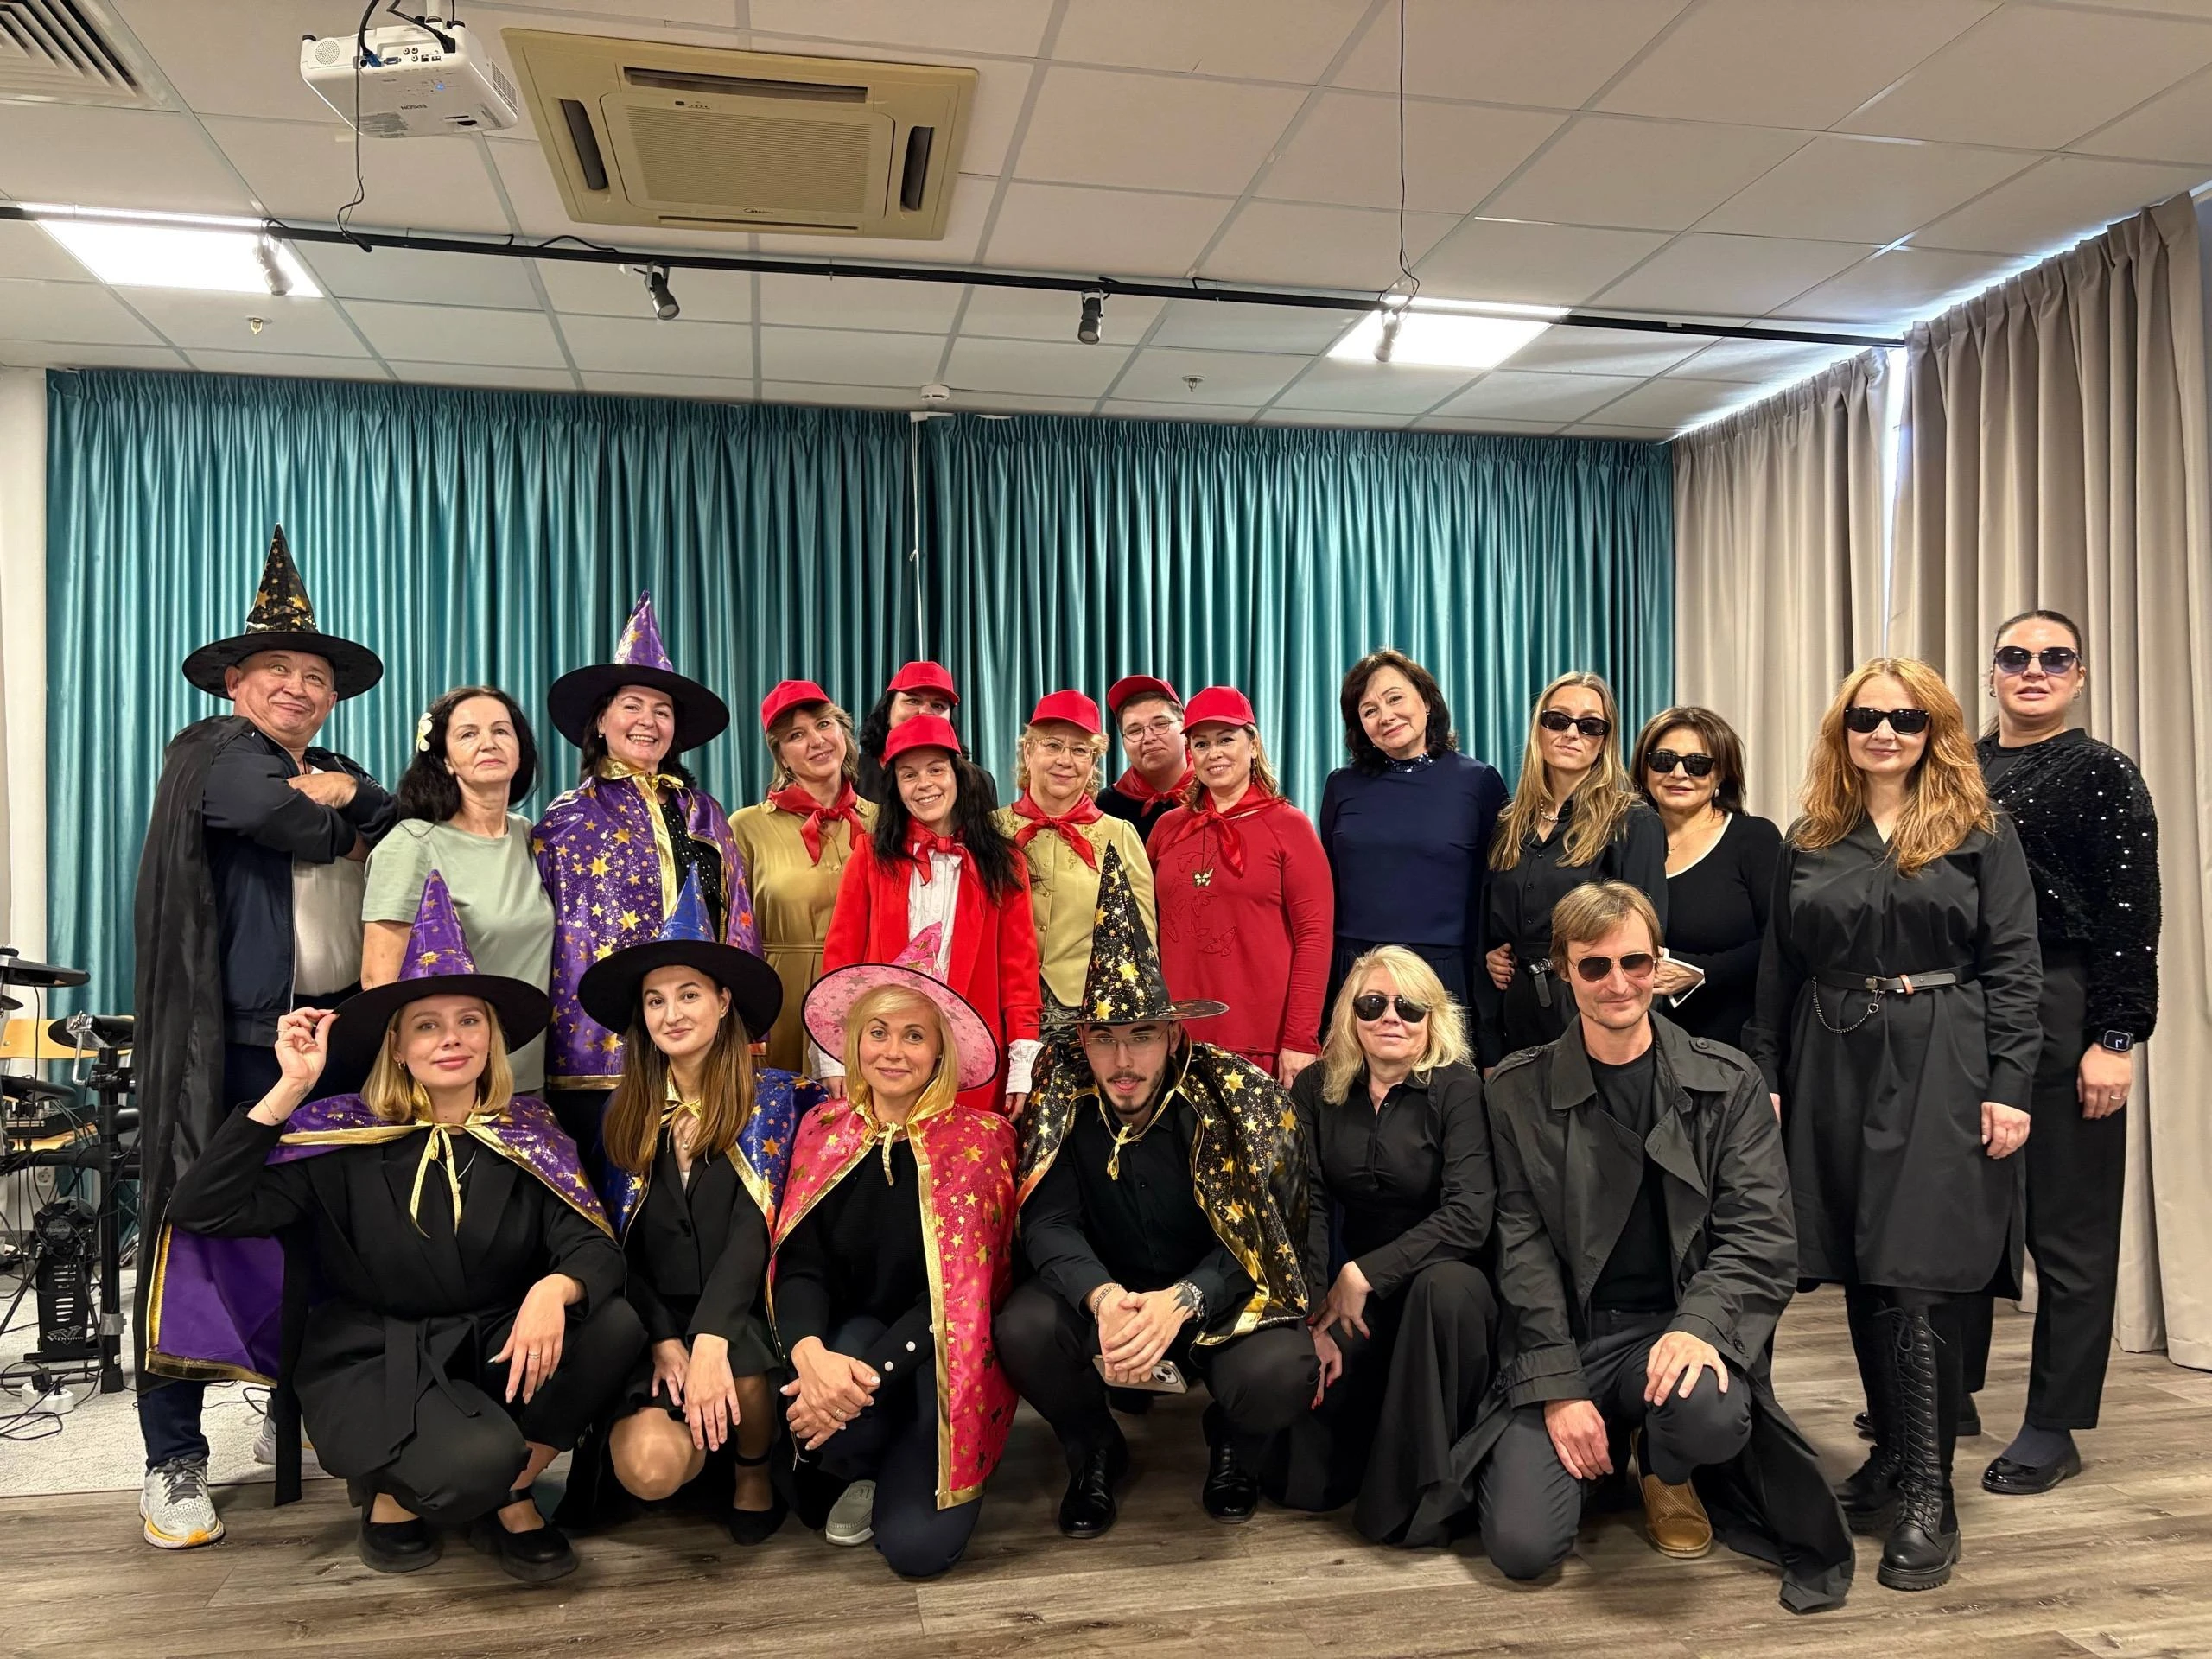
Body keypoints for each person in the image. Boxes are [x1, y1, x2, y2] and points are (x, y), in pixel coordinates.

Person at [152, 874, 643, 1585]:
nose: (452, 1039)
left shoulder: (529, 1132)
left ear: (493, 1037)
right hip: (375, 1357)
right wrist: (288, 1090)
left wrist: (555, 1289)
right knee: (470, 1466)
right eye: (428, 1025)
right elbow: (203, 1209)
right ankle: (395, 1490)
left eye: (469, 1021)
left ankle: (510, 1488)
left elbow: (593, 1245)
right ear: (398, 1045)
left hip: (490, 1345)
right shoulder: (339, 1136)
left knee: (613, 1323)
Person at [1465, 882, 1853, 1613]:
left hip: (1671, 1329)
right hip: (1573, 1336)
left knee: (1706, 1409)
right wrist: (1558, 1388)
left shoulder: (1729, 1082)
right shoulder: (1516, 1092)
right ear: (1563, 971)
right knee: (1523, 1548)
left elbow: (1760, 1232)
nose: (1618, 983)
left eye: (1635, 963)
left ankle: (1664, 1466)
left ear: (1658, 965)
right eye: (1595, 966)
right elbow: (1520, 1248)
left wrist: (1700, 1325)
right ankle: (1600, 1443)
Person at [1745, 658, 2041, 1593]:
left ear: (1934, 731)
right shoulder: (1810, 836)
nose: (1884, 732)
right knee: (1860, 1259)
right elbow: (1779, 967)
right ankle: (1888, 1460)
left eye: (1905, 719)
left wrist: (2011, 1084)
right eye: (1866, 717)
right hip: (1830, 1052)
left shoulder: (1980, 831)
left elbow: (2015, 964)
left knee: (1915, 1266)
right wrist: (1767, 1076)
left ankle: (1928, 1493)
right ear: (1842, 731)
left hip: (1942, 1051)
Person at [131, 525, 395, 1551]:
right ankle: (171, 1456)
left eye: (315, 676)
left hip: (333, 1036)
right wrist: (337, 815)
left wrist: (350, 796)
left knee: (323, 1233)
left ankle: (302, 1407)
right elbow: (285, 822)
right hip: (235, 1042)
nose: (298, 687)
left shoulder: (333, 766)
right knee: (195, 1227)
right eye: (277, 670)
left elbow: (399, 822)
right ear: (236, 683)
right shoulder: (209, 752)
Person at [995, 847, 1316, 1539]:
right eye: (1104, 1039)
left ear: (1173, 1036)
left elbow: (1266, 1230)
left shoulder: (1232, 1100)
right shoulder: (1062, 1097)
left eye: (1141, 1037)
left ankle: (1233, 1440)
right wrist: (1103, 1298)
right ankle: (1093, 1447)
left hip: (1209, 1302)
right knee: (1023, 1327)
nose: (1122, 1061)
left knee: (1282, 1370)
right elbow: (1048, 1222)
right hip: (1109, 1301)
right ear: (1083, 1040)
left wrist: (1188, 1297)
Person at [1958, 611, 2160, 1498]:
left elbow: (2131, 913)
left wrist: (2114, 1038)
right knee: (1960, 1211)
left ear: (2078, 676)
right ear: (1992, 672)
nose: (2032, 670)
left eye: (2054, 658)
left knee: (2069, 1229)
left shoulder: (2101, 772)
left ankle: (2055, 1422)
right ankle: (1949, 1393)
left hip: (2062, 997)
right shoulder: (1956, 765)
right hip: (1963, 1002)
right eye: (2016, 657)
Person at [550, 871, 818, 1541]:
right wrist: (664, 1337)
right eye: (655, 1000)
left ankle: (752, 1469)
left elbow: (754, 1231)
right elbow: (615, 1243)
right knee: (650, 1471)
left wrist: (710, 1339)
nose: (671, 1014)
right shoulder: (624, 1111)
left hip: (740, 1309)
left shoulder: (773, 1099)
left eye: (689, 994)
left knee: (743, 1370)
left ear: (724, 1002)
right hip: (656, 1315)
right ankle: (688, 1444)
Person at [770, 938, 1020, 1579]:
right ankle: (867, 1462)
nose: (893, 1051)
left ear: (939, 1051)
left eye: (914, 1036)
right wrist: (812, 1358)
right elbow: (801, 1262)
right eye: (877, 1032)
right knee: (813, 1463)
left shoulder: (982, 1142)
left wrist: (859, 1383)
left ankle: (908, 1454)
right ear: (855, 1042)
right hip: (850, 1343)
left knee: (916, 1550)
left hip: (942, 1360)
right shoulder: (824, 1130)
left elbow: (961, 1298)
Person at [1269, 945, 1496, 1547]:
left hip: (1447, 1284)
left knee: (1443, 1290)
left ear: (1432, 1017)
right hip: (1359, 1294)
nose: (1391, 1017)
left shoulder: (1458, 1087)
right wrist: (1313, 1316)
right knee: (1303, 1482)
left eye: (1409, 1006)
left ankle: (1425, 1498)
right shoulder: (1317, 1086)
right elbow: (1308, 1206)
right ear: (1351, 1014)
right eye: (1373, 1004)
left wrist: (1363, 1274)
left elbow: (1470, 1216)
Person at [533, 594, 751, 1162]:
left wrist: (747, 1033)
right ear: (602, 720)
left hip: (700, 1052)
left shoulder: (705, 814)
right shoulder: (564, 819)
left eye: (662, 711)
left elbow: (739, 921)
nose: (648, 721)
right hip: (595, 1056)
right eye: (632, 706)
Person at [821, 714, 1040, 1116]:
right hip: (885, 1054)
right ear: (896, 786)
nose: (924, 784)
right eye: (909, 775)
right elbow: (841, 962)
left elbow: (1019, 974)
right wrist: (833, 1057)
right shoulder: (869, 856)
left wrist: (1022, 1066)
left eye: (936, 770)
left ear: (958, 775)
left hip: (972, 1057)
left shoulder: (1004, 862)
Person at [365, 686, 556, 1092]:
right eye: (468, 734)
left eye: (501, 731)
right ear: (446, 760)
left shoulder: (531, 837)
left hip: (530, 1078)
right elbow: (379, 983)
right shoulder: (412, 844)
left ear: (520, 750)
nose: (489, 743)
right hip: (449, 1083)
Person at [1147, 686, 1333, 1086]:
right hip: (1176, 1041)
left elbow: (1315, 938)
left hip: (1262, 1042)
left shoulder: (1289, 827)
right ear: (1190, 753)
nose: (1214, 753)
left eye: (1226, 739)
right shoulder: (1167, 828)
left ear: (1253, 745)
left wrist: (1300, 1039)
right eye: (1201, 743)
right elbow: (1145, 929)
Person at [1482, 672, 1666, 1066]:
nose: (1571, 733)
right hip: (1515, 1009)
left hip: (1591, 1004)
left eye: (1589, 725)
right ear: (1539, 727)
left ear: (1605, 739)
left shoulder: (1633, 821)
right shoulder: (1509, 822)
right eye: (1558, 720)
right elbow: (1492, 924)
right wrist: (1493, 955)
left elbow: (1645, 942)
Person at [1319, 649, 1506, 1013]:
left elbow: (1497, 883)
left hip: (1444, 969)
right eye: (1369, 710)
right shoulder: (1341, 785)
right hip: (1356, 967)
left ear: (1426, 701)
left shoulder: (1479, 781)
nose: (1386, 716)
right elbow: (1329, 882)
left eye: (1395, 699)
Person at [727, 680, 876, 1072]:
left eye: (824, 725)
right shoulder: (745, 827)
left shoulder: (884, 822)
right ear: (781, 756)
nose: (816, 741)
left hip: (868, 998)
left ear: (843, 732)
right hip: (779, 1005)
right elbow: (731, 933)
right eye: (796, 735)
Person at [1629, 705, 1783, 1051]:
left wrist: (1698, 971)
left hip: (1730, 1041)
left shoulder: (1754, 838)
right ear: (1644, 769)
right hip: (1634, 1044)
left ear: (1721, 774)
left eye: (1697, 764)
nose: (1679, 773)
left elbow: (1779, 943)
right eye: (1664, 761)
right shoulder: (1621, 842)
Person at [995, 690, 1156, 1016]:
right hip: (999, 1003)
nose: (1065, 761)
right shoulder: (991, 829)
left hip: (1089, 1011)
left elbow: (1142, 944)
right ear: (1028, 751)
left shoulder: (1119, 835)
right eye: (1053, 745)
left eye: (1080, 750)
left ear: (1093, 762)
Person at [1095, 674, 1192, 842]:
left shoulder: (1217, 793)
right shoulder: (1102, 808)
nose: (1148, 738)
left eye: (1160, 724)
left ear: (1185, 730)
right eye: (1134, 731)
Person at [854, 659, 960, 806]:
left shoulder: (978, 780)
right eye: (913, 701)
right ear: (888, 710)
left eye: (938, 705)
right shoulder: (851, 775)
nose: (924, 712)